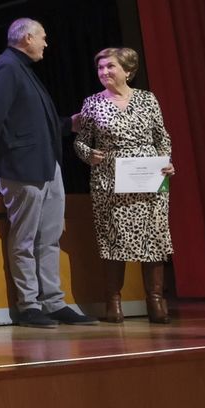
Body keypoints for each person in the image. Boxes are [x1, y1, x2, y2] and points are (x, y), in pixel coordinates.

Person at [0, 18, 96, 328]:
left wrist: (68, 124)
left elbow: (32, 123)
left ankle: (53, 301)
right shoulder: (6, 67)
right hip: (22, 167)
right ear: (27, 37)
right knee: (26, 238)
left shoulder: (23, 70)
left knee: (50, 237)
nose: (46, 43)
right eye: (43, 37)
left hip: (47, 165)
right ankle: (29, 304)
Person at [73, 47, 175, 324]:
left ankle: (155, 300)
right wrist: (88, 154)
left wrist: (167, 162)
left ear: (128, 71)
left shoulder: (147, 99)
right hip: (110, 181)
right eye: (100, 68)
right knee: (113, 240)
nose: (104, 72)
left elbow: (161, 137)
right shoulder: (92, 102)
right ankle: (113, 302)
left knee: (153, 238)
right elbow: (80, 141)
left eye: (110, 67)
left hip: (149, 179)